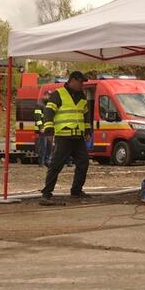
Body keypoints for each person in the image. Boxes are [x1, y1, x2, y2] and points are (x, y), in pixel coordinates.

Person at [39, 71, 93, 202]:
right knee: (56, 165)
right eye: (81, 82)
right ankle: (47, 193)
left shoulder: (82, 96)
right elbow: (49, 112)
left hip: (78, 137)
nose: (82, 85)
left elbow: (85, 115)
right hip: (63, 137)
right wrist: (49, 131)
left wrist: (87, 130)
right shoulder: (59, 94)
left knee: (83, 162)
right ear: (73, 80)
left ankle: (76, 191)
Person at [34, 98, 51, 167]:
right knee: (43, 146)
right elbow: (37, 117)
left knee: (49, 147)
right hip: (43, 130)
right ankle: (41, 162)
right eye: (48, 96)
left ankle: (47, 161)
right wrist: (41, 127)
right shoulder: (39, 105)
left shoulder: (48, 106)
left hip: (49, 129)